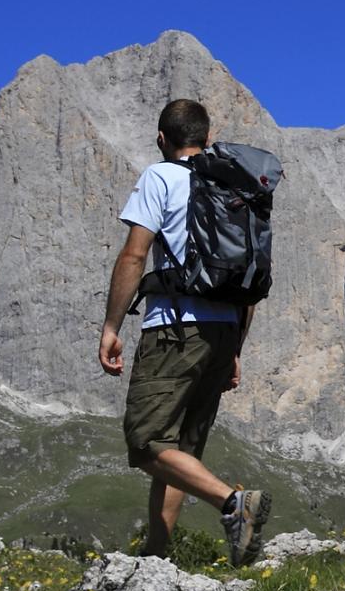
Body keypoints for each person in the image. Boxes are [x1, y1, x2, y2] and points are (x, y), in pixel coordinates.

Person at [98, 99, 272, 563]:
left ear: (161, 139)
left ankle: (234, 504)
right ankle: (155, 560)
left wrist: (112, 326)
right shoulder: (234, 186)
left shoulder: (160, 177)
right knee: (181, 452)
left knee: (146, 444)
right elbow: (248, 280)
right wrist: (235, 349)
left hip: (174, 330)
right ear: (207, 138)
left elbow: (135, 255)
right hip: (222, 334)